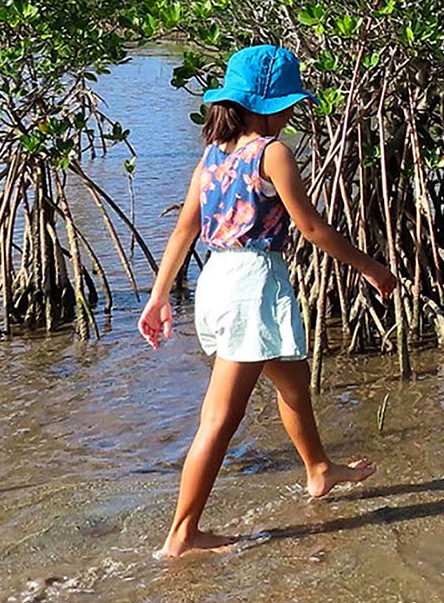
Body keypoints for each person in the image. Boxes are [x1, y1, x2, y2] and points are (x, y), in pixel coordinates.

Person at [138, 43, 397, 558]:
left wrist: (159, 294)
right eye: (286, 102)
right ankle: (183, 535)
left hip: (219, 279)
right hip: (252, 286)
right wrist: (371, 268)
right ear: (264, 104)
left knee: (294, 384)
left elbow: (186, 228)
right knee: (219, 421)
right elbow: (310, 226)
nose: (291, 111)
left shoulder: (213, 155)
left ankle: (319, 470)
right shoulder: (272, 152)